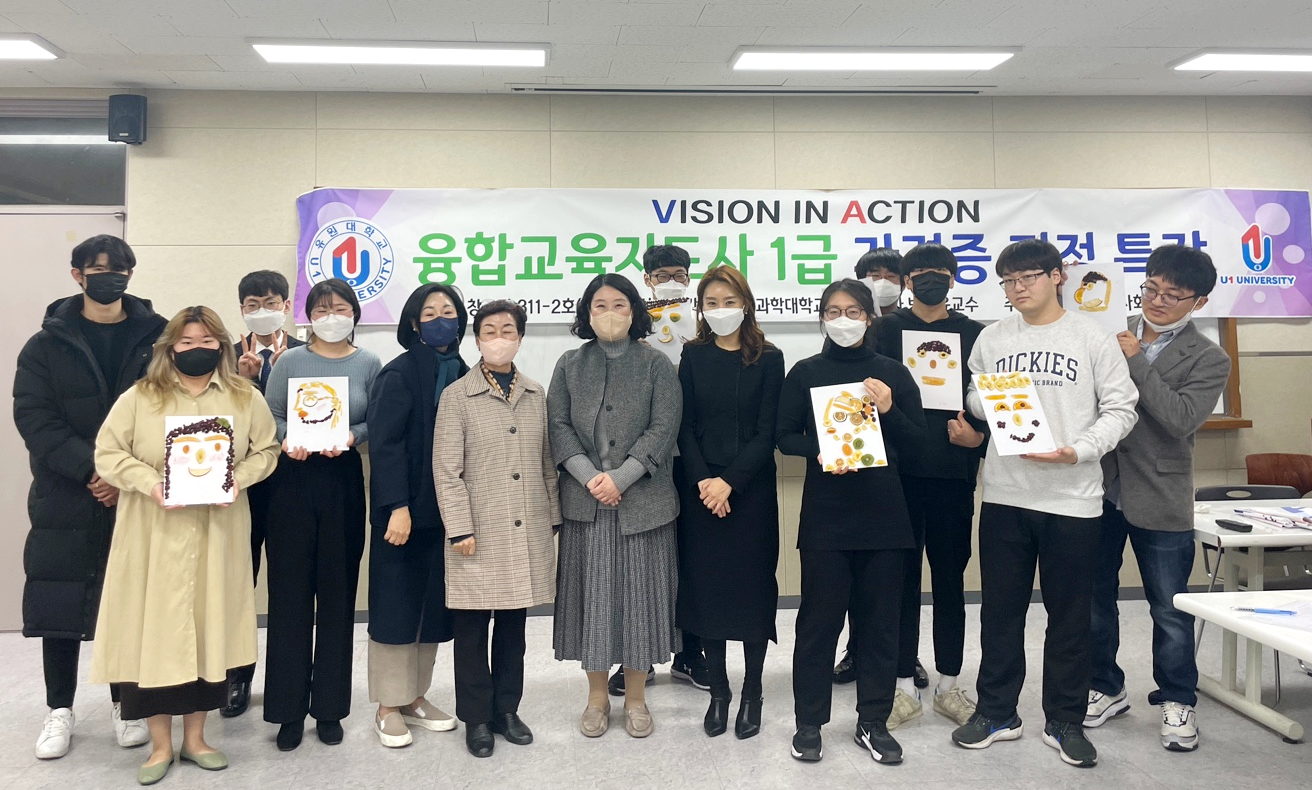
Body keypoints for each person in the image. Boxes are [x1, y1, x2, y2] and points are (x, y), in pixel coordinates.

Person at [954, 238, 1138, 768]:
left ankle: (1065, 719)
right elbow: (973, 394)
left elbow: (1122, 408)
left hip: (1074, 498)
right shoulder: (993, 337)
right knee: (1000, 612)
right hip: (1006, 494)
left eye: (1028, 277)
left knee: (1070, 617)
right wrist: (989, 401)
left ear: (1057, 276)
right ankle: (997, 713)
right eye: (1008, 282)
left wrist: (1079, 450)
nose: (1018, 289)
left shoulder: (1091, 337)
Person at [89, 306, 279, 785]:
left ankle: (196, 739)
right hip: (153, 534)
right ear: (170, 347)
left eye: (208, 341)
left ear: (222, 346)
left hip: (217, 531)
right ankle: (160, 746)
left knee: (208, 629)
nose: (198, 350)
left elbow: (267, 449)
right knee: (153, 633)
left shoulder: (244, 396)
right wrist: (151, 484)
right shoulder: (141, 397)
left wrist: (238, 480)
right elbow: (108, 453)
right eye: (187, 342)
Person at [14, 234, 164, 760]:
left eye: (120, 269)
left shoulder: (158, 338)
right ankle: (60, 709)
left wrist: (127, 475)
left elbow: (173, 409)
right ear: (77, 275)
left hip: (136, 492)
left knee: (129, 600)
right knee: (60, 599)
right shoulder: (45, 344)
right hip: (68, 491)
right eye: (98, 270)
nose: (110, 278)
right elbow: (34, 418)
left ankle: (127, 704)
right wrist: (94, 470)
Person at [1085, 245, 1230, 752]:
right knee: (1094, 598)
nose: (1158, 300)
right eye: (1152, 288)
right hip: (1100, 488)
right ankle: (1105, 687)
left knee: (1169, 608)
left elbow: (1179, 418)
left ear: (1199, 301)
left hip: (1161, 492)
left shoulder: (1210, 357)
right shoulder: (1107, 330)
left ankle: (1178, 699)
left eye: (1173, 294)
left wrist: (1135, 361)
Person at [777, 279, 927, 765]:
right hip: (827, 517)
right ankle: (809, 723)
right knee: (818, 624)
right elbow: (784, 436)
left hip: (885, 515)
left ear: (869, 317)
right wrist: (820, 451)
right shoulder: (806, 372)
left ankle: (873, 722)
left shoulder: (891, 373)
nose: (843, 320)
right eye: (833, 311)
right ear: (822, 318)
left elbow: (918, 443)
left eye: (853, 311)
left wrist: (888, 409)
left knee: (881, 625)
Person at [549, 273, 682, 739]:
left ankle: (638, 699)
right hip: (586, 505)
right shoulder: (569, 364)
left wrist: (621, 477)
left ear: (634, 311)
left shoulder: (656, 364)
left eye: (619, 305)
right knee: (593, 604)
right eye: (600, 305)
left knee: (640, 604)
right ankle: (597, 699)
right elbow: (559, 427)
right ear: (587, 314)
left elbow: (664, 428)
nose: (610, 314)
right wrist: (591, 478)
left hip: (644, 504)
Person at [434, 300, 561, 758]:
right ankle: (476, 718)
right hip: (477, 532)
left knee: (513, 628)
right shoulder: (457, 396)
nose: (499, 338)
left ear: (520, 338)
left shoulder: (535, 393)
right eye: (489, 331)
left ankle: (507, 710)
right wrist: (459, 528)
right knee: (471, 630)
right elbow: (446, 470)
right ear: (477, 339)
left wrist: (552, 517)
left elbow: (546, 462)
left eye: (508, 330)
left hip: (526, 528)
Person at [262, 278, 382, 751]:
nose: (332, 317)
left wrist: (353, 435)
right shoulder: (289, 361)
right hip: (291, 481)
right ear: (308, 316)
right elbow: (270, 416)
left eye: (341, 309)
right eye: (322, 310)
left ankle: (329, 708)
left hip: (343, 479)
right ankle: (287, 710)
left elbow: (377, 419)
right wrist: (286, 437)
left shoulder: (368, 363)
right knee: (289, 595)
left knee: (338, 594)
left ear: (355, 314)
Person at [873, 243, 988, 729]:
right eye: (919, 273)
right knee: (899, 583)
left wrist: (978, 440)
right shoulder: (884, 331)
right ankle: (902, 687)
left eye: (939, 272)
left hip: (953, 476)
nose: (930, 279)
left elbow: (996, 405)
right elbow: (866, 397)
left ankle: (948, 684)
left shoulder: (975, 334)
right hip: (898, 477)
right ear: (906, 281)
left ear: (953, 278)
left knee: (949, 582)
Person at [674, 265, 784, 740]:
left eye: (729, 301)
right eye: (712, 303)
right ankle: (718, 692)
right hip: (701, 493)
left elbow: (768, 431)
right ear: (701, 309)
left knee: (752, 591)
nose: (721, 310)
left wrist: (730, 483)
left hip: (751, 491)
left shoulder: (769, 357)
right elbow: (684, 426)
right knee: (708, 592)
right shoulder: (693, 355)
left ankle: (753, 691)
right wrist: (705, 482)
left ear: (746, 304)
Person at [607, 244, 710, 698]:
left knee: (693, 558)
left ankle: (691, 654)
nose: (672, 281)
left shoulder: (706, 324)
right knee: (643, 561)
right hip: (643, 463)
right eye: (663, 274)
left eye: (680, 274)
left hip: (694, 461)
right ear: (646, 280)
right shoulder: (629, 328)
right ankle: (639, 658)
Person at [364, 284, 464, 749]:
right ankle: (388, 705)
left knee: (432, 610)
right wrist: (397, 507)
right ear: (413, 324)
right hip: (403, 515)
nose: (441, 319)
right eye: (430, 313)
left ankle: (415, 697)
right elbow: (385, 446)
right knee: (396, 607)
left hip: (448, 515)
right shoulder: (399, 373)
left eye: (449, 310)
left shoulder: (465, 372)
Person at [222, 269, 304, 719]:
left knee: (288, 586)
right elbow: (214, 422)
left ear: (286, 306)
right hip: (242, 490)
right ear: (242, 310)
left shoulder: (309, 354)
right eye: (252, 305)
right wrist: (244, 384)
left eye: (270, 303)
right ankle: (237, 676)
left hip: (294, 485)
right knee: (238, 582)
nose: (262, 311)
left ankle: (286, 684)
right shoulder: (224, 359)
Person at [832, 247, 916, 686]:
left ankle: (903, 659)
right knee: (845, 581)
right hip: (841, 483)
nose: (882, 281)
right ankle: (854, 652)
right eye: (873, 274)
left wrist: (889, 410)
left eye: (890, 274)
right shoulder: (824, 355)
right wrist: (825, 450)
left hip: (897, 478)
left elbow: (915, 430)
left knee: (893, 580)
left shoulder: (904, 334)